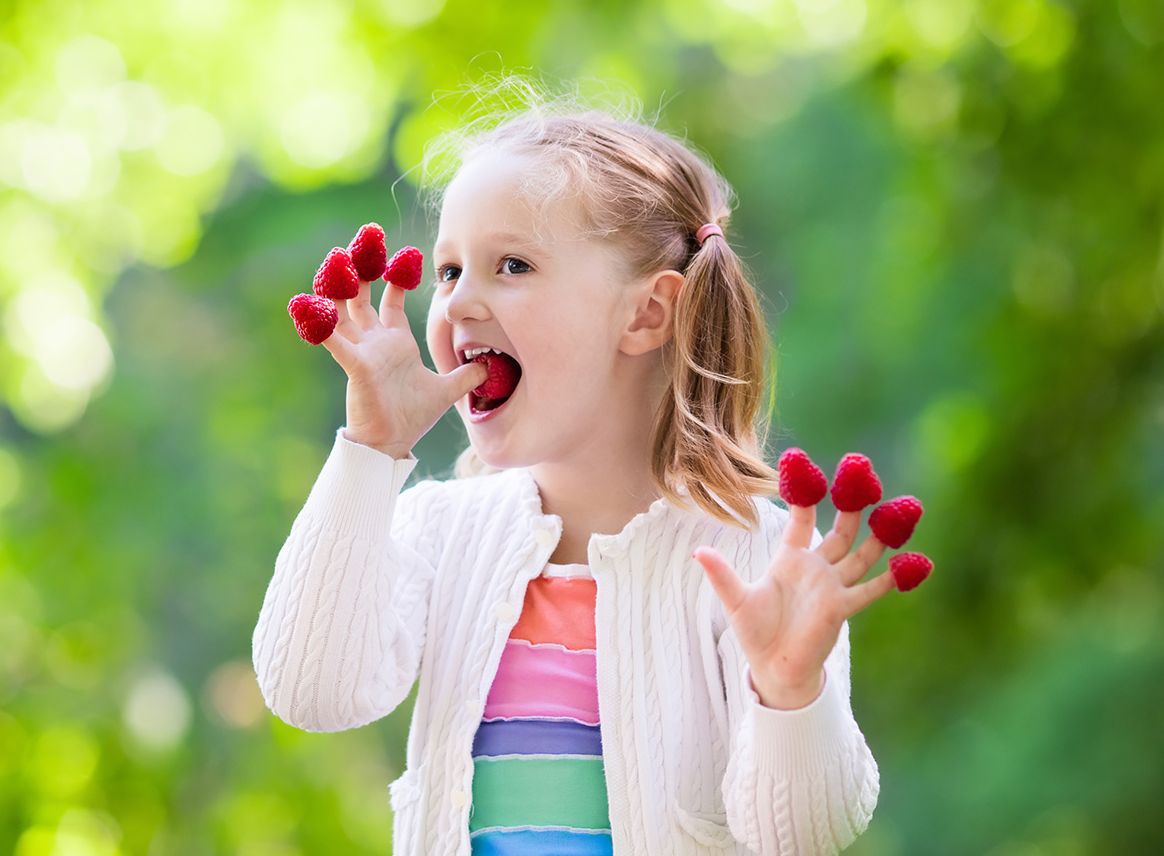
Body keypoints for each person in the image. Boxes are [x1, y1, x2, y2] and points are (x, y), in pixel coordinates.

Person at [253, 86, 899, 856]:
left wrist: (791, 694)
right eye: (451, 271)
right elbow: (312, 691)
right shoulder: (441, 531)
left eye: (512, 265)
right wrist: (371, 451)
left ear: (647, 314)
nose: (458, 303)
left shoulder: (751, 556)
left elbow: (805, 834)